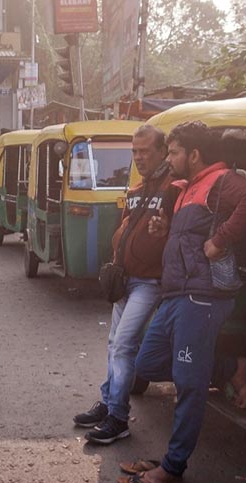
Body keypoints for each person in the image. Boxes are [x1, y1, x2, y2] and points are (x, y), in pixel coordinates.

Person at [118, 121, 246, 483]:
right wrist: (164, 230)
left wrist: (220, 241)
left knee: (188, 384)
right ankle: (232, 368)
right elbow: (188, 237)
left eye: (174, 152)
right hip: (176, 295)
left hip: (202, 296)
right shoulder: (187, 189)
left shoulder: (220, 180)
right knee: (146, 363)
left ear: (194, 154)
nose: (169, 159)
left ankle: (173, 466)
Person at [73, 125, 181, 444]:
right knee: (113, 343)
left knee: (123, 345)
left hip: (150, 281)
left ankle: (118, 417)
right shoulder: (136, 190)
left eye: (145, 151)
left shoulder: (174, 187)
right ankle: (108, 403)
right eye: (134, 151)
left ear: (163, 151)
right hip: (126, 279)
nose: (138, 157)